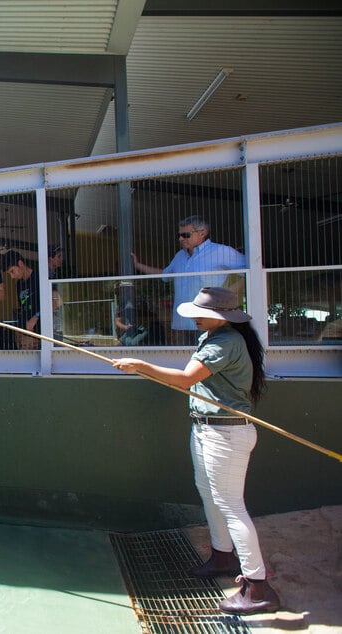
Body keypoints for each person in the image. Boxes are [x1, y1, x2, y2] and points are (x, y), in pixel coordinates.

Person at [112, 287, 280, 615]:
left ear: (219, 316)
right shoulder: (214, 337)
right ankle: (222, 556)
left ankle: (258, 586)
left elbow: (187, 379)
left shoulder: (225, 342)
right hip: (206, 428)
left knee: (232, 506)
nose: (194, 317)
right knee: (209, 494)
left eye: (200, 313)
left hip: (226, 434)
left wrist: (140, 365)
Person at [132, 216, 246, 346]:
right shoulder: (180, 256)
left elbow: (252, 270)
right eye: (179, 235)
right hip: (182, 322)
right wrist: (138, 265)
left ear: (202, 233)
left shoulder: (221, 251)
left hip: (207, 320)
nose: (180, 239)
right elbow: (165, 275)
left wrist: (228, 293)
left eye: (186, 235)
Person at [0, 251, 44, 350]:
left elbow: (52, 302)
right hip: (25, 331)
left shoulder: (39, 278)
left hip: (41, 332)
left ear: (20, 263)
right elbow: (23, 307)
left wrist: (35, 317)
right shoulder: (19, 284)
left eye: (12, 271)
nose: (12, 276)